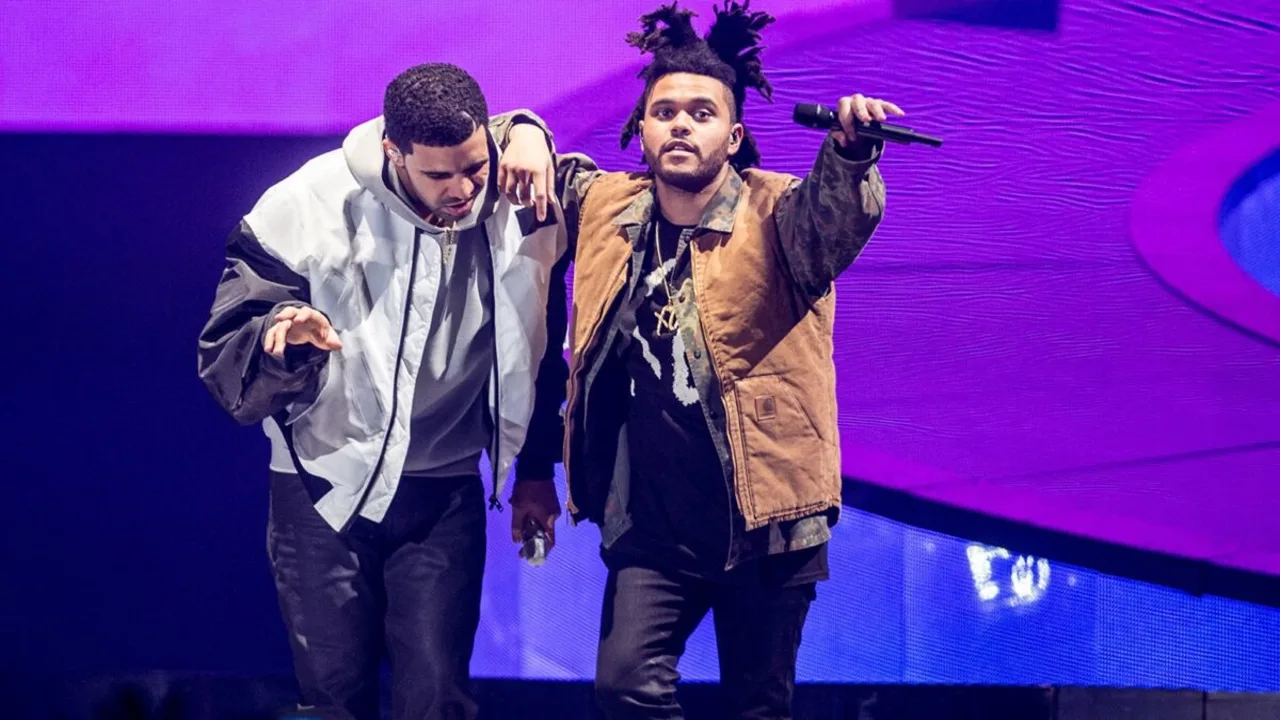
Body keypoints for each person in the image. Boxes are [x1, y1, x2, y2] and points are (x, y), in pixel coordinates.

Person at [537, 3, 904, 717]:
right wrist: (522, 131)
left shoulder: (779, 213)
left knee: (756, 707)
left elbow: (837, 217)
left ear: (733, 137)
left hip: (767, 524)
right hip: (653, 529)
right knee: (624, 686)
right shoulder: (607, 205)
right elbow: (519, 164)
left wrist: (851, 153)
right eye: (664, 112)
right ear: (641, 128)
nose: (680, 124)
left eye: (701, 113)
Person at [196, 62, 564, 720]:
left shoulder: (518, 192)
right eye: (439, 174)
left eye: (475, 166)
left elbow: (542, 344)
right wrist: (287, 341)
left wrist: (532, 131)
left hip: (444, 491)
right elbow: (226, 357)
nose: (464, 189)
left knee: (438, 699)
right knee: (332, 701)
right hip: (320, 487)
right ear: (393, 150)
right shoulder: (304, 207)